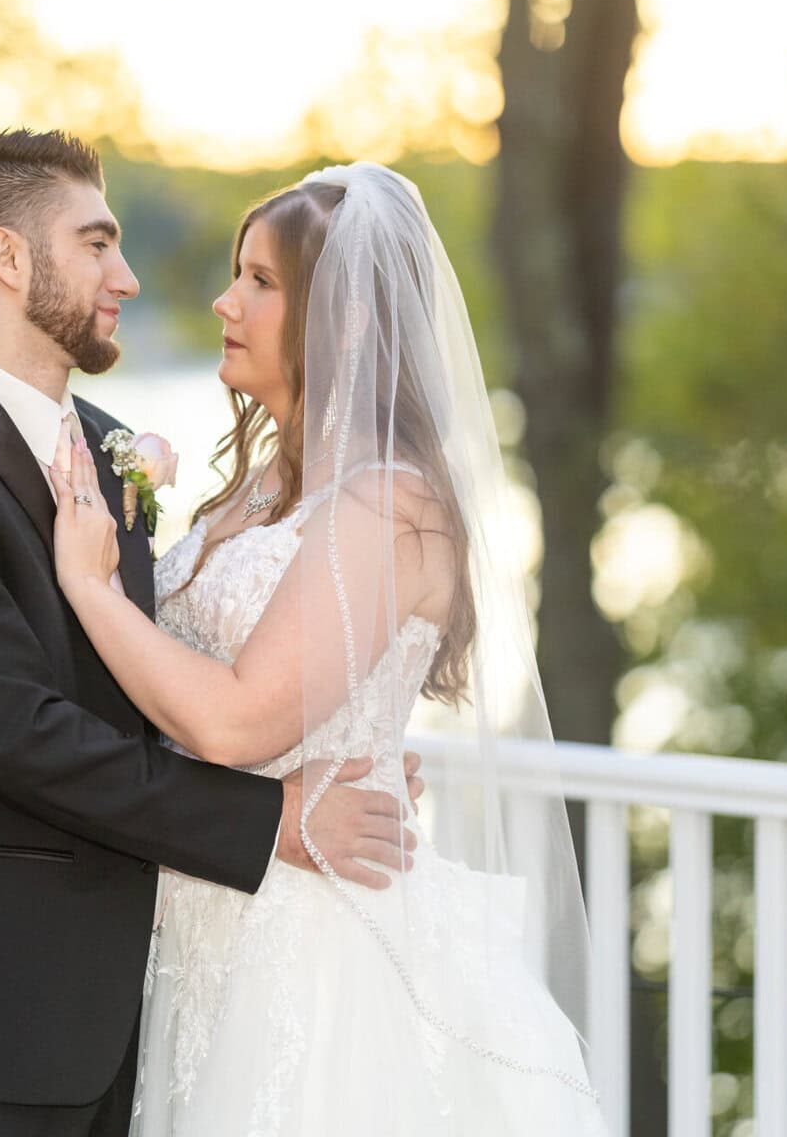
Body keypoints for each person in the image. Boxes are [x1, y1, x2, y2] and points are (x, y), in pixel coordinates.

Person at [0, 130, 424, 1137]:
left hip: (154, 991)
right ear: (9, 259)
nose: (131, 277)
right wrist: (270, 818)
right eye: (98, 245)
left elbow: (166, 679)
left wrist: (336, 727)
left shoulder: (113, 450)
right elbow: (18, 735)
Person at [51, 163, 608, 1134]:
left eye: (261, 282)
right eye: (236, 274)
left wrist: (89, 589)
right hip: (210, 927)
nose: (226, 300)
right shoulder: (264, 484)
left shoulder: (391, 502)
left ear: (343, 318)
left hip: (317, 949)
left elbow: (229, 722)